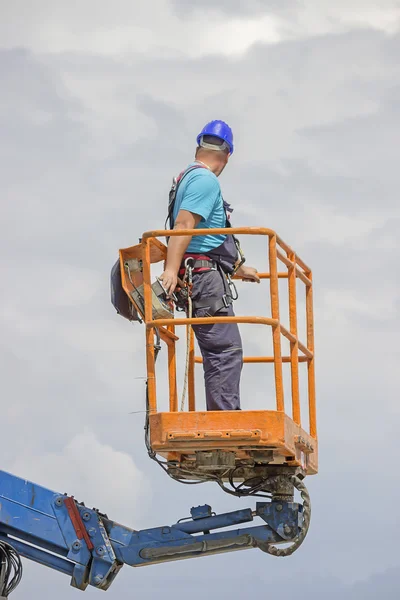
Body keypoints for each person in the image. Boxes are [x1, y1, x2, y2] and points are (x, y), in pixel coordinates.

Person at [160, 120, 260, 411]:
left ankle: (224, 415)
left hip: (205, 271)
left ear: (198, 147)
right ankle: (225, 419)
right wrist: (169, 269)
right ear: (227, 155)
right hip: (203, 276)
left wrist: (237, 267)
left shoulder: (188, 177)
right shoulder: (205, 181)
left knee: (222, 350)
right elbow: (184, 225)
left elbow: (209, 234)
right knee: (224, 350)